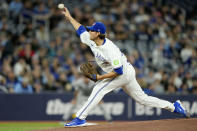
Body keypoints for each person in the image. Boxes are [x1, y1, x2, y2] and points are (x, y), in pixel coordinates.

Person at [61, 7, 190, 127]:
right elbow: (80, 29)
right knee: (143, 99)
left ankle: (80, 118)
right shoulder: (91, 40)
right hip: (125, 71)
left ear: (98, 33)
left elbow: (118, 71)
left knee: (99, 89)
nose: (89, 30)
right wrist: (70, 17)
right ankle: (174, 106)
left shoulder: (110, 50)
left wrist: (100, 77)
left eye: (92, 29)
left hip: (122, 73)